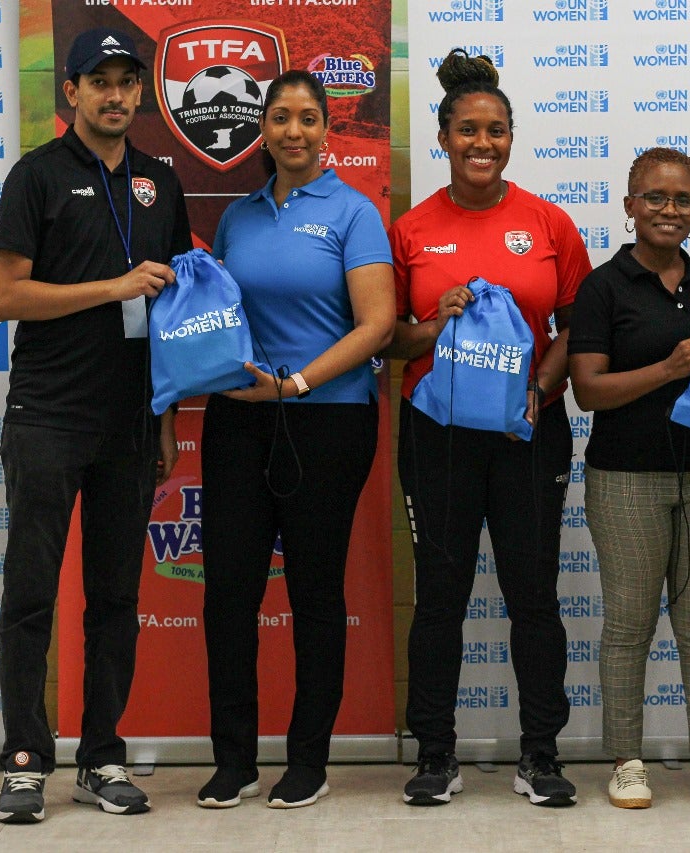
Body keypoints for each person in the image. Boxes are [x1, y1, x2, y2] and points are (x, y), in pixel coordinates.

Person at [0, 27, 190, 823]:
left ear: (140, 93)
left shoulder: (160, 183)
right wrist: (111, 287)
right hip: (47, 414)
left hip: (130, 420)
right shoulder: (35, 175)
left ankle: (102, 756)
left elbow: (171, 312)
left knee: (114, 595)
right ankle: (27, 759)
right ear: (69, 91)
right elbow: (8, 295)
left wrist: (167, 418)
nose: (115, 95)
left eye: (126, 82)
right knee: (31, 592)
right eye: (98, 81)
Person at [385, 48, 592, 808]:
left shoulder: (547, 222)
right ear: (443, 138)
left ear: (512, 137)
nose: (483, 143)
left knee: (533, 594)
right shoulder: (409, 231)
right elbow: (391, 342)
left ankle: (541, 753)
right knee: (440, 593)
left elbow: (576, 328)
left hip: (528, 430)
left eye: (496, 130)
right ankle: (435, 753)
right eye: (468, 130)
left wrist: (538, 389)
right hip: (436, 433)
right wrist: (432, 322)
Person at [194, 70, 394, 811]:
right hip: (240, 419)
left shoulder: (353, 211)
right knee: (228, 595)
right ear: (264, 129)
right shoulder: (239, 217)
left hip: (327, 418)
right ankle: (234, 760)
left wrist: (299, 382)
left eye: (309, 118)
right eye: (280, 117)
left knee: (313, 592)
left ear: (326, 129)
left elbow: (376, 324)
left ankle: (308, 758)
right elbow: (217, 314)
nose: (294, 131)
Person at [568, 148, 690, 812]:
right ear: (630, 204)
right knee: (629, 623)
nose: (670, 211)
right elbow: (588, 390)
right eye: (657, 198)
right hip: (625, 479)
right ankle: (627, 758)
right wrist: (668, 369)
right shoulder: (603, 286)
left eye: (684, 200)